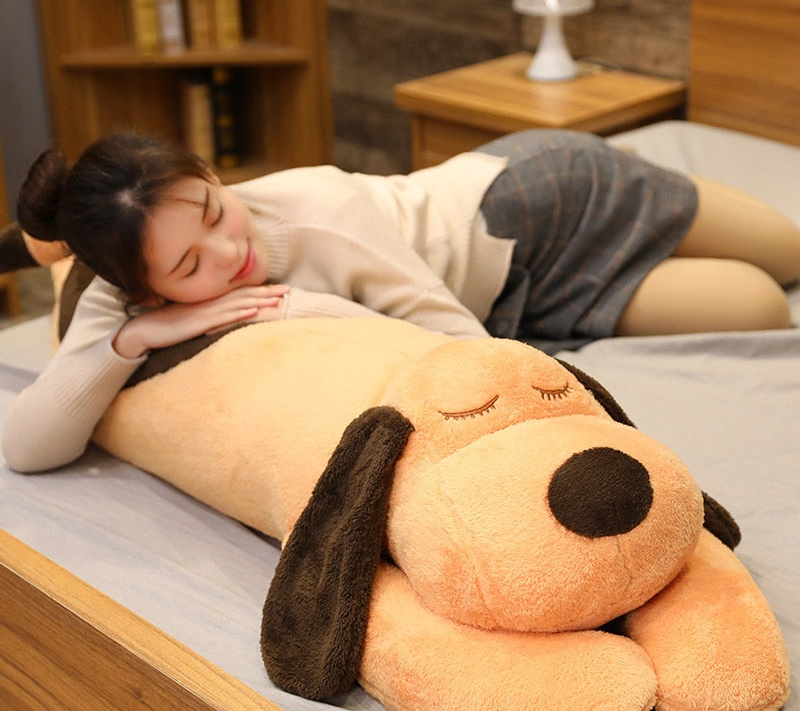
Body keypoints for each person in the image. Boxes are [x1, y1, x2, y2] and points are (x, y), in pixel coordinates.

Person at [2, 129, 799, 473]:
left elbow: (454, 343)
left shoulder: (320, 208)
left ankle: (656, 180)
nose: (229, 253)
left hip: (537, 201)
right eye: (189, 265)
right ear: (142, 290)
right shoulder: (123, 292)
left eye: (216, 211)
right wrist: (133, 343)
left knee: (786, 257)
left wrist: (289, 305)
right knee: (758, 305)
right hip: (522, 296)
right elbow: (26, 447)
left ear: (209, 176)